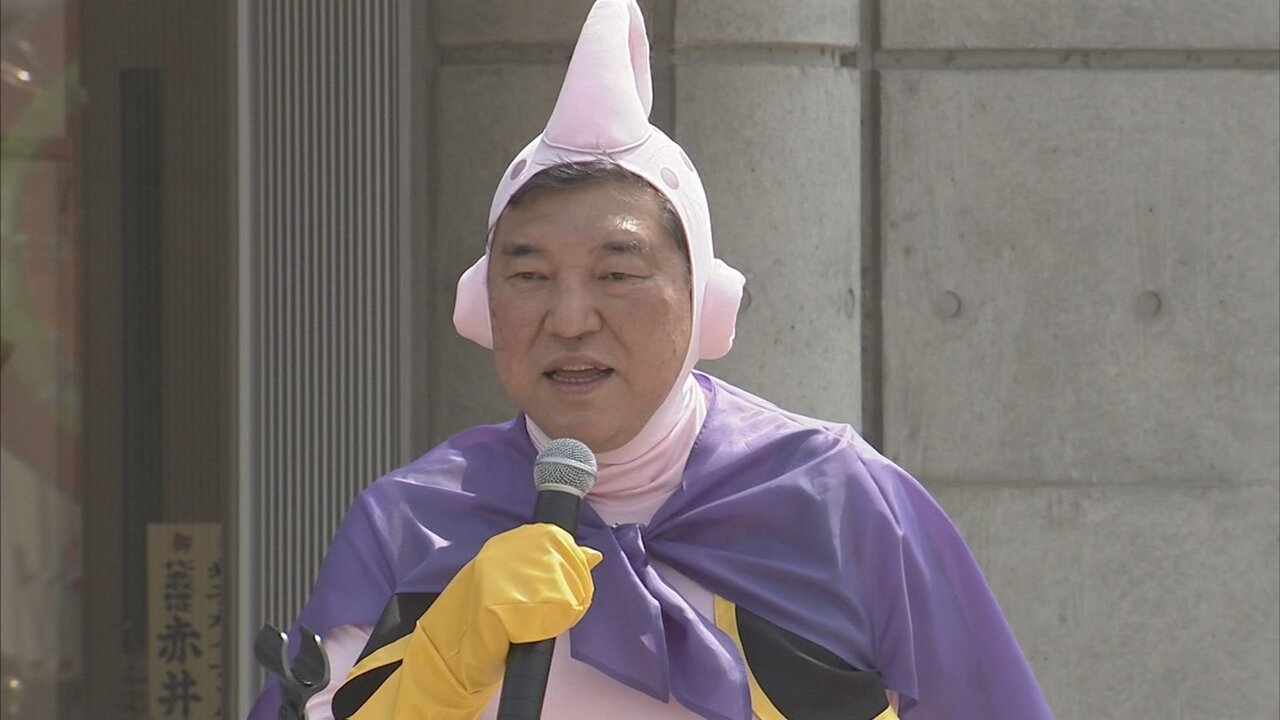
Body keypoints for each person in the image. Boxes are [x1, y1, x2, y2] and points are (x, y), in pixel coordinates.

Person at [250, 1, 1054, 718]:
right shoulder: (411, 521)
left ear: (701, 298)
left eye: (618, 275)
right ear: (482, 303)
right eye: (528, 277)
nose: (570, 319)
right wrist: (440, 663)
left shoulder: (841, 501)